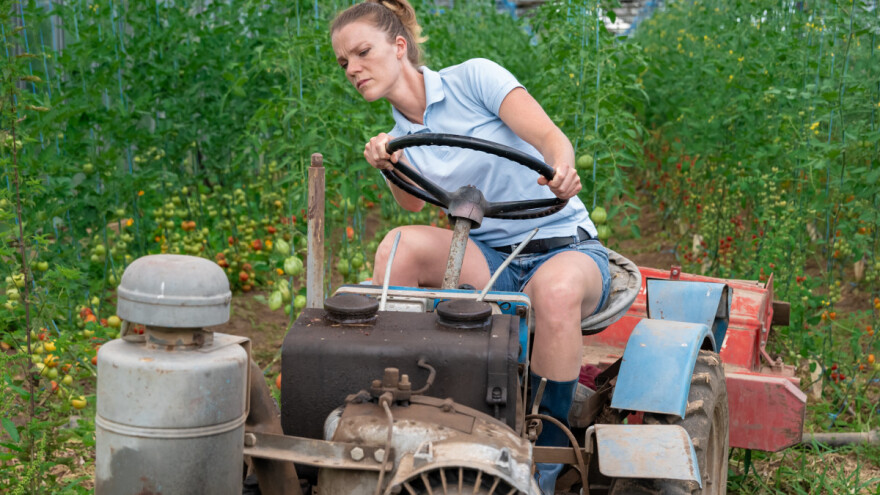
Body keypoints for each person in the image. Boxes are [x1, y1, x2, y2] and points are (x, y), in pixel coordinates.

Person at [330, 1, 611, 492]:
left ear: (399, 47)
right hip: (491, 258)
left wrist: (562, 171)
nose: (352, 68)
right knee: (398, 246)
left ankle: (544, 461)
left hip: (562, 246)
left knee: (555, 293)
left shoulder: (474, 79)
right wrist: (389, 165)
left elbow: (550, 138)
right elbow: (411, 204)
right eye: (343, 62)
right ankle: (407, 409)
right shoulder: (398, 138)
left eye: (362, 52)